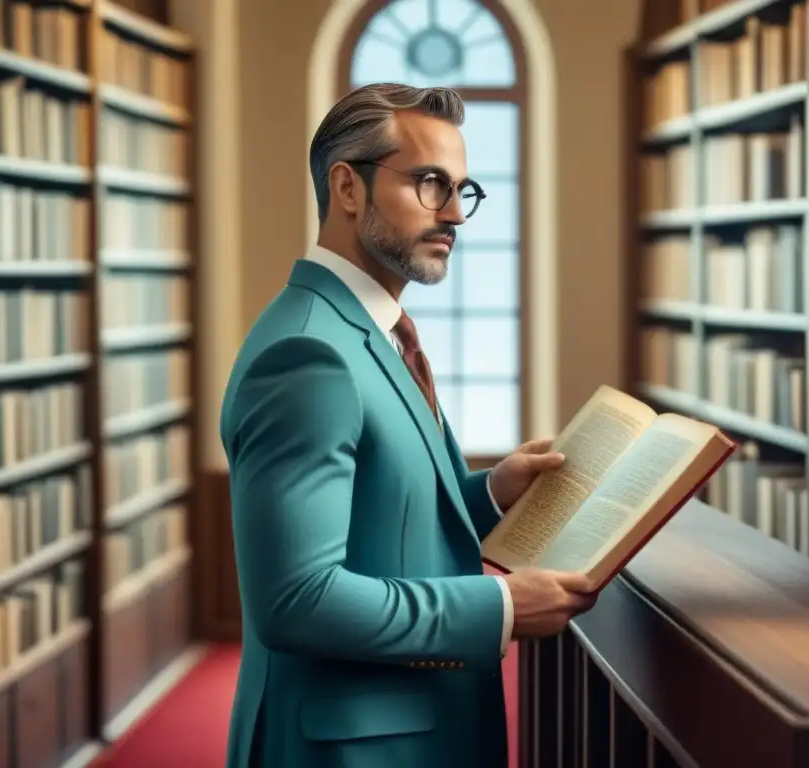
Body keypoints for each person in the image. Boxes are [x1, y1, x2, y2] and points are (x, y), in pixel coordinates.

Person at [220, 82, 598, 768]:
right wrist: (502, 608)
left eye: (462, 189)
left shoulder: (369, 330)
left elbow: (379, 520)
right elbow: (297, 600)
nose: (454, 213)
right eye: (429, 184)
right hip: (352, 749)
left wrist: (488, 494)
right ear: (348, 188)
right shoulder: (307, 354)